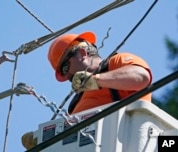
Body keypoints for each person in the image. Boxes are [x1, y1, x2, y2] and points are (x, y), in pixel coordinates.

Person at [21, 31, 152, 149]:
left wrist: (96, 80)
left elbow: (142, 77)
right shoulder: (75, 104)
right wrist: (43, 139)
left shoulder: (116, 63)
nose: (67, 77)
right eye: (63, 73)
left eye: (65, 68)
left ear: (82, 53)